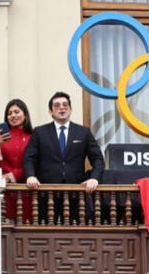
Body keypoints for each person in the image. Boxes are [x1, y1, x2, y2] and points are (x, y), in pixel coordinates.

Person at [22, 91, 105, 223]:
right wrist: (30, 176)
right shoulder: (40, 132)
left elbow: (98, 159)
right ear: (50, 111)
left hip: (76, 193)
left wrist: (94, 178)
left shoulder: (83, 132)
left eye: (65, 105)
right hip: (47, 193)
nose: (61, 108)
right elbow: (28, 158)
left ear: (71, 109)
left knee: (76, 234)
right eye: (57, 105)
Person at [0, 99, 33, 222]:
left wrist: (13, 175)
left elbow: (35, 163)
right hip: (5, 191)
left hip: (26, 191)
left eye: (17, 112)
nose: (13, 115)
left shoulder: (32, 136)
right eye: (9, 113)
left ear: (25, 114)